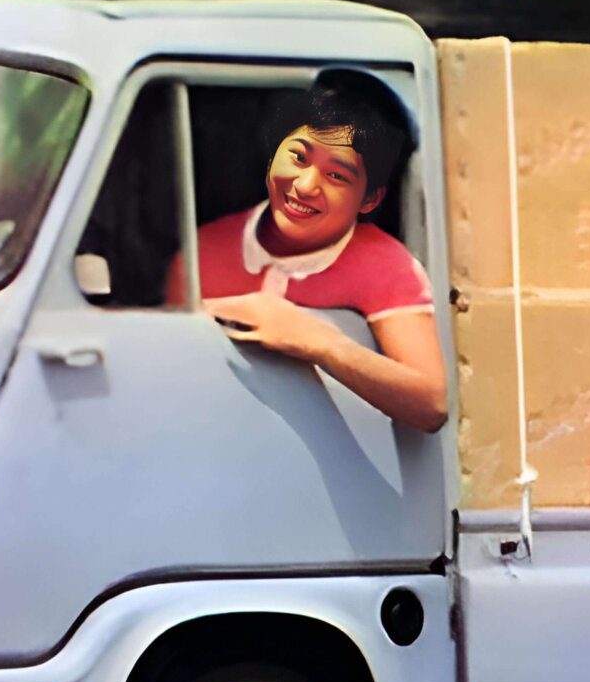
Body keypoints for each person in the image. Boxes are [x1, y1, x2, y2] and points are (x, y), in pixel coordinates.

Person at [167, 75, 448, 434]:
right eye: (298, 157)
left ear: (369, 199)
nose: (305, 185)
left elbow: (431, 403)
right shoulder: (203, 248)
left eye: (336, 175)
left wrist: (319, 341)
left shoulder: (386, 265)